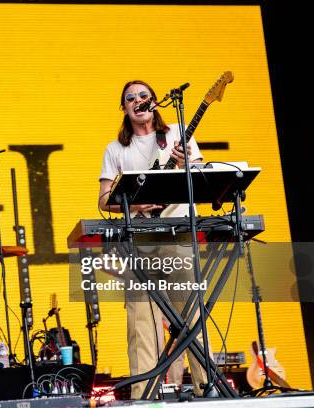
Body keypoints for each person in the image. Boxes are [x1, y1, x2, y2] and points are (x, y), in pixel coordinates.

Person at [98, 80, 209, 399]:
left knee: (192, 318)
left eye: (143, 96)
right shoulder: (115, 148)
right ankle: (142, 398)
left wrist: (187, 161)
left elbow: (200, 180)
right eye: (130, 98)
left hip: (178, 235)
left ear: (155, 102)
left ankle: (206, 389)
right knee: (141, 324)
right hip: (140, 240)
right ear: (125, 108)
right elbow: (104, 201)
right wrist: (133, 204)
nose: (138, 101)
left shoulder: (177, 133)